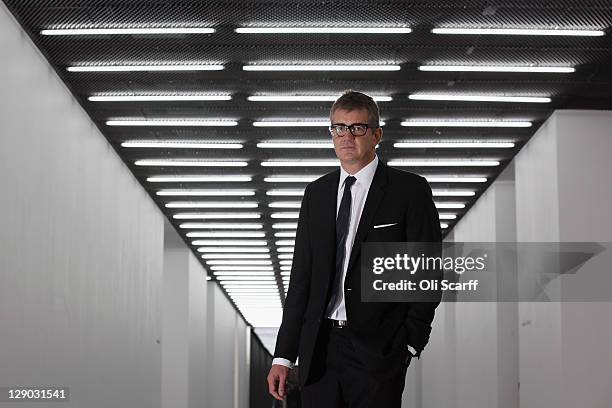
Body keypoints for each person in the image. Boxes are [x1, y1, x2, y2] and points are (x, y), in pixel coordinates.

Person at [267, 90, 442, 407]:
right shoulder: (316, 194)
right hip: (319, 349)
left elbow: (426, 272)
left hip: (378, 350)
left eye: (357, 128)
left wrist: (410, 344)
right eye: (339, 128)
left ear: (376, 134)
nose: (347, 136)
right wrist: (283, 354)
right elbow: (301, 280)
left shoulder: (409, 191)